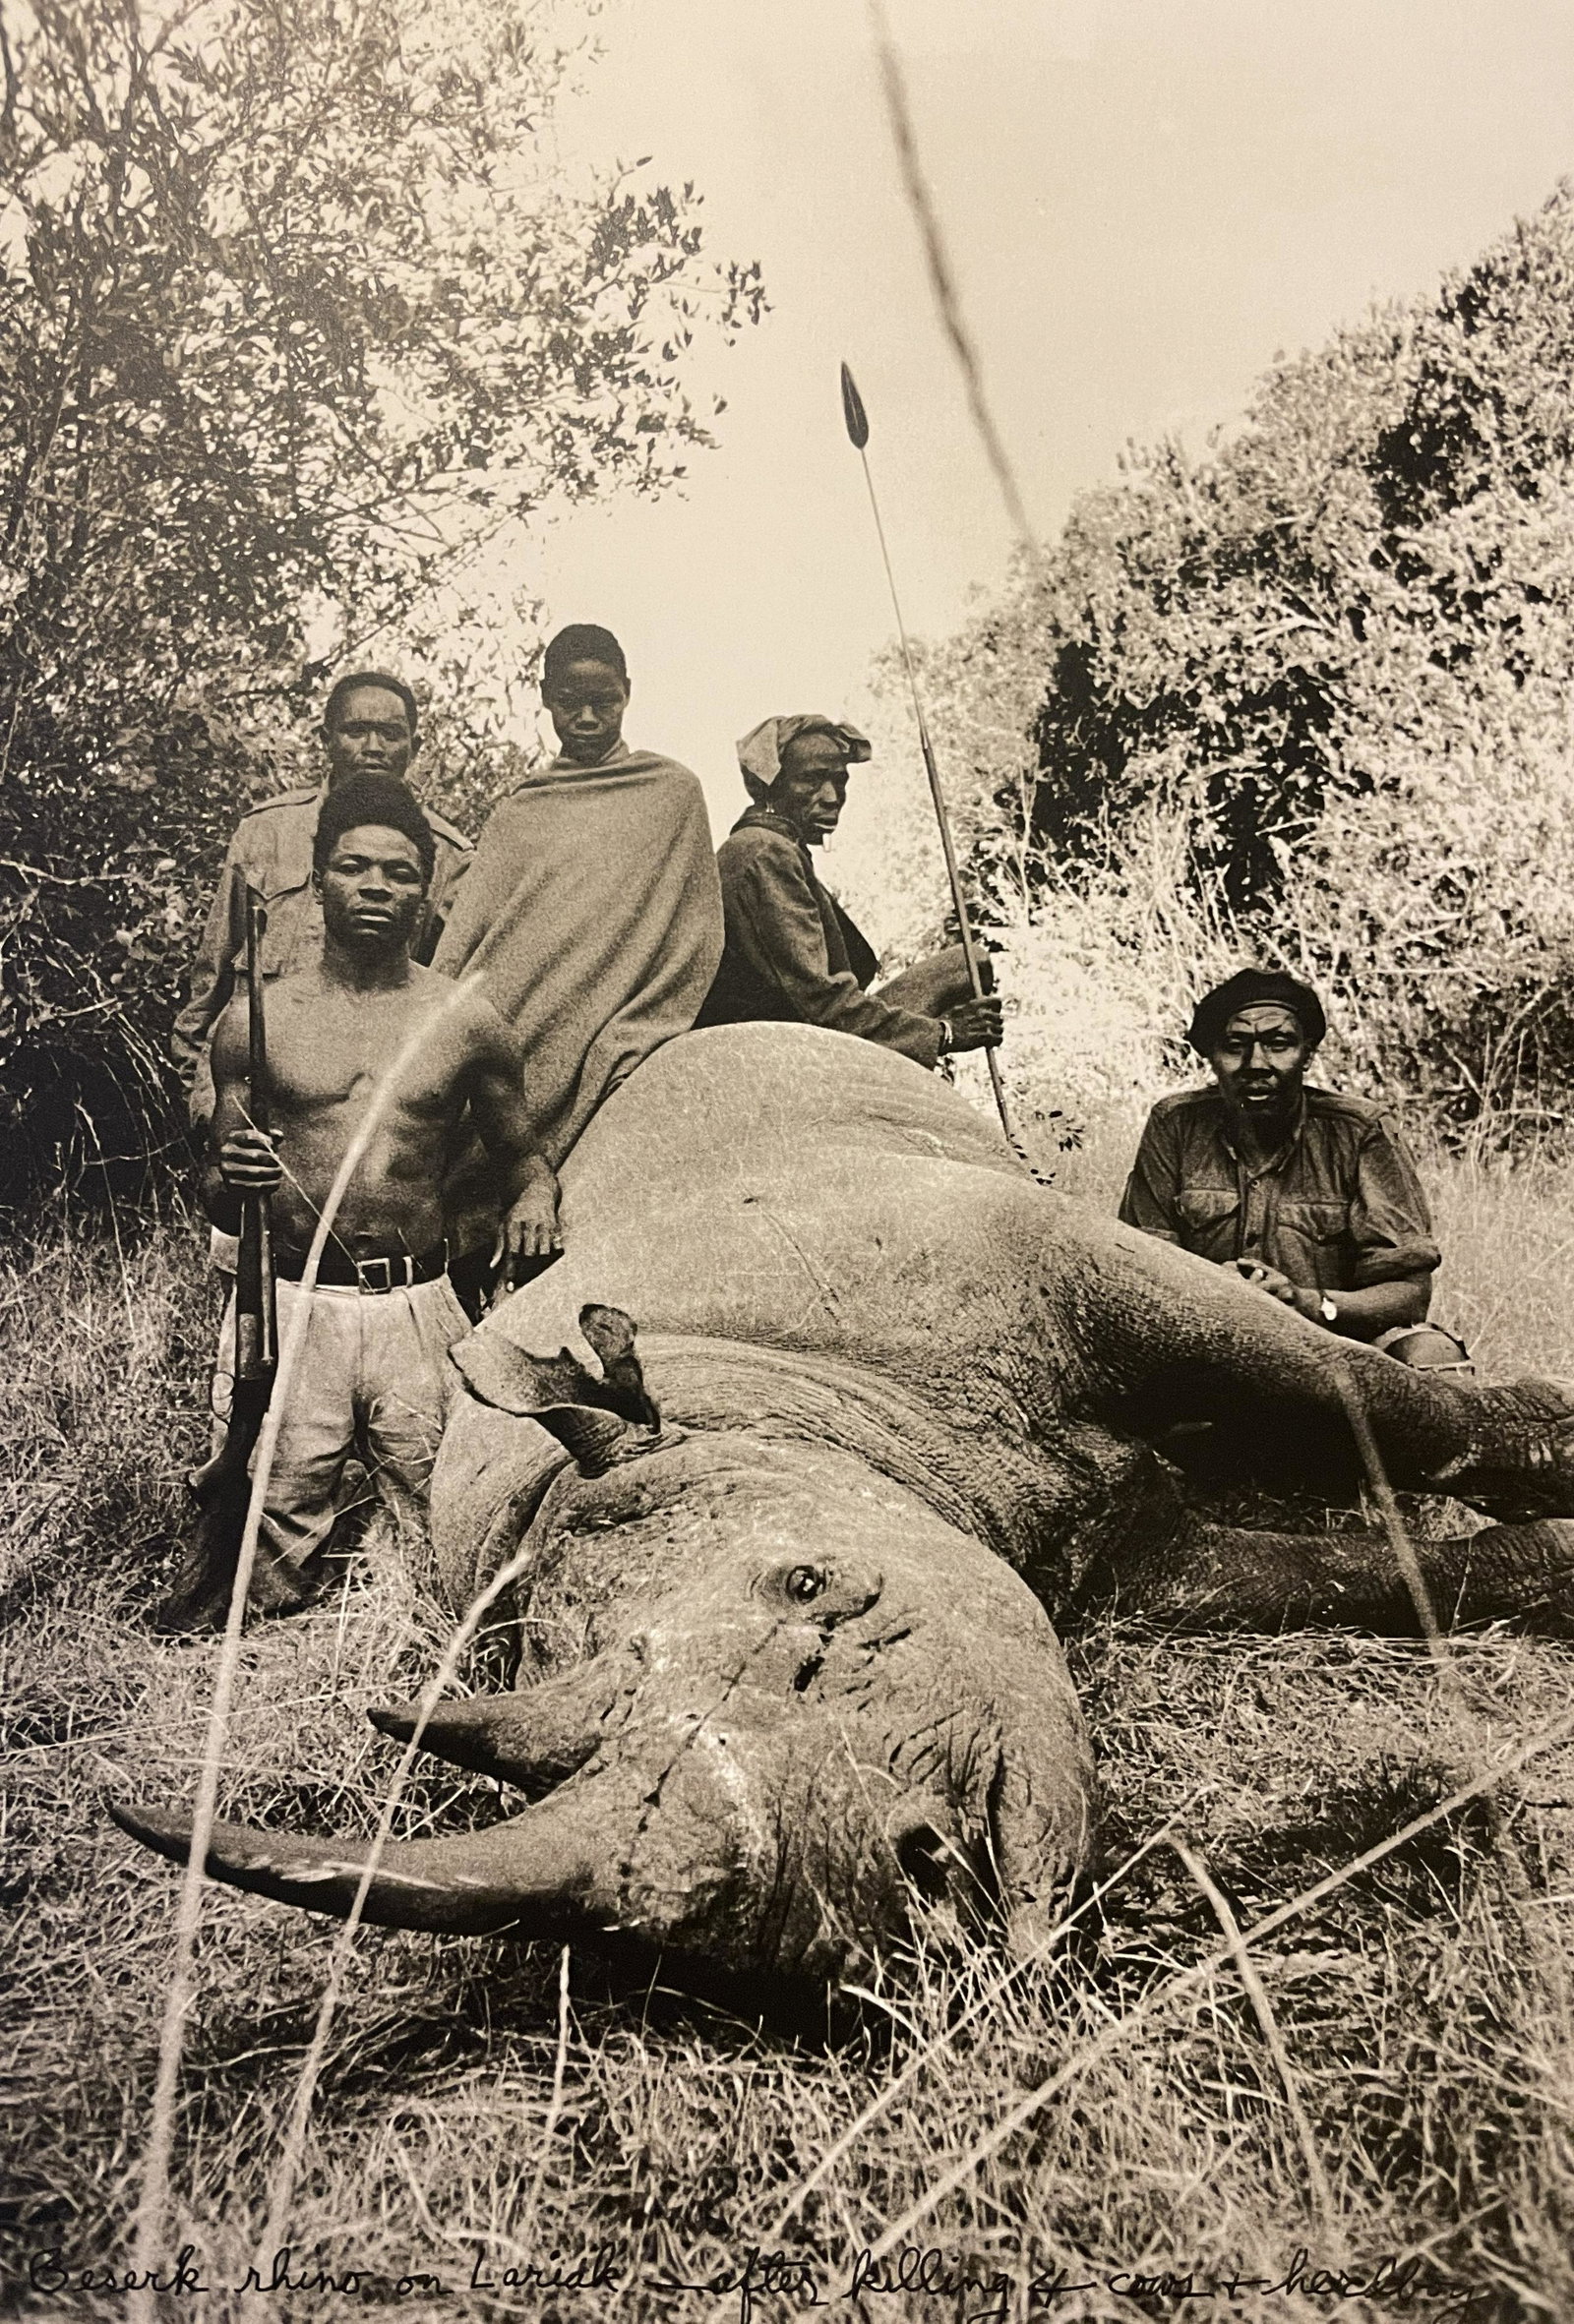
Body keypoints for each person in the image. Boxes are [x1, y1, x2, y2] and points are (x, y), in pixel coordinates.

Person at [207, 773, 560, 1613]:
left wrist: (533, 1200)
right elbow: (218, 1186)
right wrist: (234, 1170)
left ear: (427, 888)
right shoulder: (260, 1017)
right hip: (292, 1302)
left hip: (417, 1306)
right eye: (353, 866)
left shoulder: (466, 1020)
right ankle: (267, 1681)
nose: (375, 887)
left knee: (457, 1526)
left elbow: (524, 1160)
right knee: (270, 1549)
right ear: (319, 878)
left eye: (399, 873)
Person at [433, 623, 723, 1175]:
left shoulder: (672, 794)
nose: (587, 720)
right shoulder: (521, 811)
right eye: (570, 704)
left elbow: (696, 932)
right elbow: (471, 941)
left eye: (603, 703)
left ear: (627, 693)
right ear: (545, 697)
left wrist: (642, 1024)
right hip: (516, 1027)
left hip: (626, 1027)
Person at [1119, 967, 1468, 1370]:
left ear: (1307, 1054)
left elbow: (1409, 1291)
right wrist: (1214, 1294)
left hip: (1336, 1348)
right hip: (1204, 1343)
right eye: (1235, 1046)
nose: (1257, 1063)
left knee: (1433, 1354)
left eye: (1278, 1043)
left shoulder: (1360, 1132)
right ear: (1212, 1057)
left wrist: (1305, 1301)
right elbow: (1137, 1266)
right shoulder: (1176, 1124)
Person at [173, 671, 473, 1131]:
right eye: (356, 731)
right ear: (326, 739)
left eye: (391, 734)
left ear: (414, 745)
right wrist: (200, 1093)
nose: (373, 748)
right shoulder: (266, 832)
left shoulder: (446, 855)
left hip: (356, 1101)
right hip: (247, 1086)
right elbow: (210, 978)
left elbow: (444, 996)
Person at [696, 714, 1003, 1066]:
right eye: (811, 780)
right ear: (770, 786)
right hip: (783, 1056)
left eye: (839, 781)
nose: (831, 797)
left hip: (807, 1037)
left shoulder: (779, 847)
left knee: (970, 963)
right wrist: (945, 1034)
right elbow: (821, 1003)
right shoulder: (764, 852)